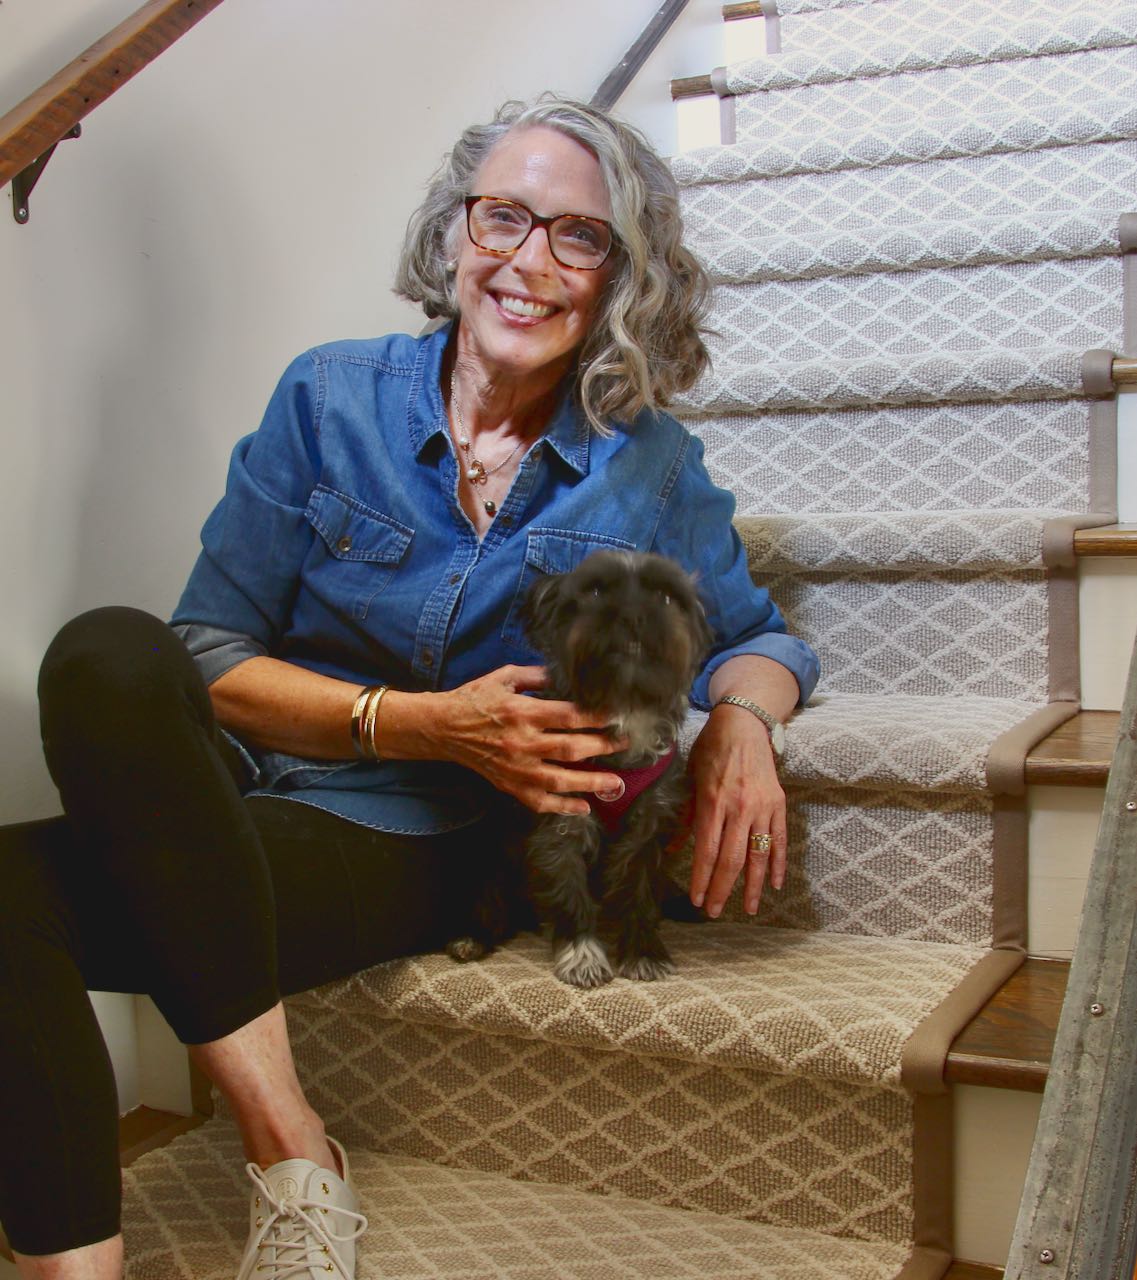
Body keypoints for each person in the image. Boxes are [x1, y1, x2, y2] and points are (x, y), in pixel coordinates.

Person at [0, 96, 819, 1280]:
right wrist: (420, 719)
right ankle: (282, 1144)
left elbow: (758, 637)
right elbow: (208, 649)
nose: (530, 261)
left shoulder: (647, 464)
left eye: (579, 236)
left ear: (621, 277)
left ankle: (272, 1163)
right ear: (453, 232)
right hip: (237, 778)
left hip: (414, 832)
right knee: (102, 654)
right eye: (504, 217)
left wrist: (740, 720)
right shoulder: (328, 397)